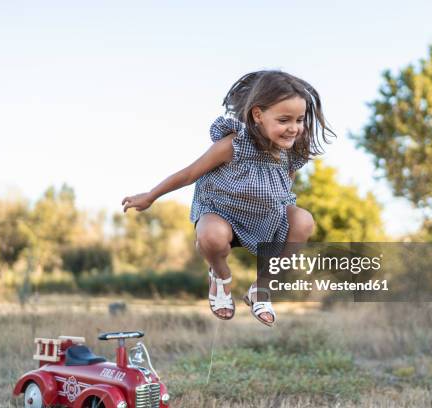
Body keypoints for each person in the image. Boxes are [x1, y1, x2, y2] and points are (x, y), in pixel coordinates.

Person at [122, 70, 335, 326]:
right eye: (284, 119)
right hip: (222, 213)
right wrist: (151, 196)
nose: (294, 128)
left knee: (304, 220)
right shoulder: (234, 144)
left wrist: (278, 214)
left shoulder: (290, 152)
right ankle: (221, 278)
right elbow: (190, 173)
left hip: (263, 218)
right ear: (258, 115)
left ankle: (262, 288)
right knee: (211, 236)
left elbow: (283, 186)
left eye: (299, 120)